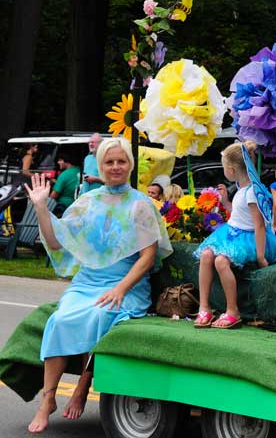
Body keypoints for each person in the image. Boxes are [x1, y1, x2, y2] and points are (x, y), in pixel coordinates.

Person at [24, 137, 172, 433]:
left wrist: (120, 289)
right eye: (109, 162)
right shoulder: (87, 201)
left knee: (100, 315)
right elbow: (55, 242)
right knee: (59, 319)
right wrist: (41, 208)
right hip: (87, 281)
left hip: (126, 285)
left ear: (130, 165)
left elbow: (147, 257)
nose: (115, 167)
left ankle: (83, 385)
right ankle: (48, 399)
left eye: (121, 161)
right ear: (99, 166)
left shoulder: (141, 204)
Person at [192, 141, 276, 329]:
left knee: (221, 261)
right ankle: (204, 306)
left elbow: (259, 225)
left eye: (223, 168)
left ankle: (232, 310)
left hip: (248, 238)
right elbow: (238, 215)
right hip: (231, 233)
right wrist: (226, 202)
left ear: (231, 169)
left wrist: (261, 256)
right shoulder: (241, 188)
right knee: (206, 255)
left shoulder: (253, 191)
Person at [50, 152, 81, 218]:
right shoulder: (79, 170)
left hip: (63, 208)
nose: (58, 162)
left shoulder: (64, 175)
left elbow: (53, 195)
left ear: (67, 161)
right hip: (77, 205)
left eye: (60, 160)